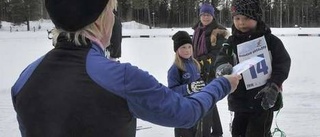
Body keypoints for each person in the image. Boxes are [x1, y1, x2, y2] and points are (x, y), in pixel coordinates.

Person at [11, 0, 241, 137]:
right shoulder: (120, 78)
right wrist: (221, 85)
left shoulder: (26, 77)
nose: (114, 19)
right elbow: (185, 113)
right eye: (113, 12)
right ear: (101, 19)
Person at [214, 0, 291, 137]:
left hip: (263, 100)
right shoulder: (231, 42)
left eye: (246, 18)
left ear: (256, 18)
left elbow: (282, 64)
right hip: (239, 100)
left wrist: (274, 86)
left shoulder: (270, 41)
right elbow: (222, 58)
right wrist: (222, 67)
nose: (241, 23)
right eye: (237, 18)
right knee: (238, 132)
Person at [192, 3, 230, 137]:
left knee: (205, 100)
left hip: (211, 71)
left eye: (208, 15)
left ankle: (205, 134)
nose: (205, 17)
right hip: (198, 70)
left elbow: (217, 54)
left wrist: (200, 62)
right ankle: (217, 131)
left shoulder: (218, 32)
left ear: (213, 16)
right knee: (209, 100)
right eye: (203, 15)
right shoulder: (198, 30)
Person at [167, 31, 206, 137]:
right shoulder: (175, 69)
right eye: (183, 47)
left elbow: (198, 81)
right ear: (177, 50)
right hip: (181, 110)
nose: (187, 50)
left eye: (189, 47)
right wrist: (188, 88)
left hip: (195, 108)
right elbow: (172, 91)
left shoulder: (195, 64)